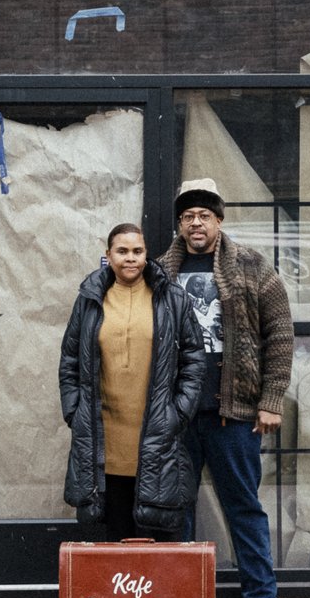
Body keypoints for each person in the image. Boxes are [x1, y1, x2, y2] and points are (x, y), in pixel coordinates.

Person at [160, 179, 294, 598]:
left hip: (233, 412)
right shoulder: (160, 271)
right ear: (180, 223)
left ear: (219, 220)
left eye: (204, 215)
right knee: (173, 508)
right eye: (187, 216)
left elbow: (280, 334)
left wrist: (271, 400)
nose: (195, 223)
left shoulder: (253, 266)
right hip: (178, 414)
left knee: (243, 506)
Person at [59, 223, 204, 541]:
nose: (130, 258)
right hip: (104, 439)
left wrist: (177, 414)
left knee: (156, 539)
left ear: (146, 254)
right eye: (122, 251)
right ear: (108, 254)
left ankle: (152, 594)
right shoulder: (90, 298)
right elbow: (69, 361)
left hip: (155, 436)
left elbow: (194, 361)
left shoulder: (171, 299)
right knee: (114, 535)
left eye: (137, 251)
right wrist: (75, 410)